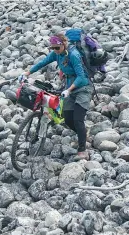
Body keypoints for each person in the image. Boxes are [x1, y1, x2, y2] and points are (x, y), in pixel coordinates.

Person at [21, 33, 93, 161]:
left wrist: (69, 90)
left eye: (57, 48)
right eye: (52, 48)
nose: (55, 50)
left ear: (63, 45)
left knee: (78, 119)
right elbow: (43, 62)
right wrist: (27, 72)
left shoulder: (74, 55)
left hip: (83, 88)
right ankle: (83, 133)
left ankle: (83, 150)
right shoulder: (57, 54)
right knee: (67, 117)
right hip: (69, 86)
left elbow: (81, 77)